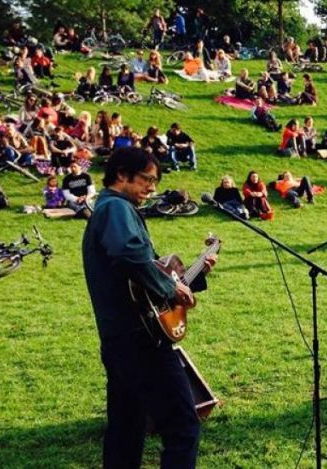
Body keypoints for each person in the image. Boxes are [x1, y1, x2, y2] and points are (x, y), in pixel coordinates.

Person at [82, 147, 215, 469]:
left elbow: (138, 280)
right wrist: (171, 287)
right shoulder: (116, 208)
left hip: (120, 340)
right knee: (183, 427)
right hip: (143, 342)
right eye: (146, 179)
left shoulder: (109, 209)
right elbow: (129, 256)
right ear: (122, 174)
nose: (152, 188)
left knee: (126, 430)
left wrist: (188, 281)